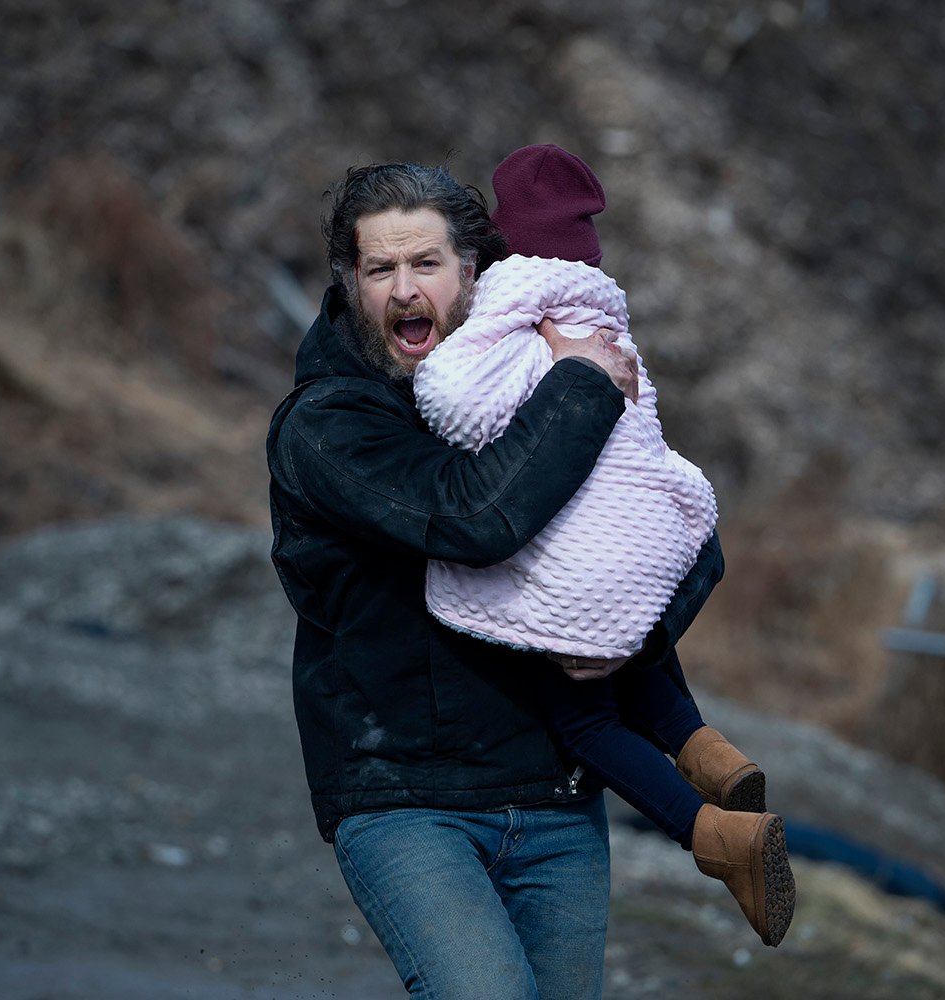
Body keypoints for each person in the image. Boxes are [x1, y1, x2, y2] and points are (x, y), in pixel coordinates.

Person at [268, 160, 723, 998]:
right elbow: (472, 520)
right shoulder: (328, 426)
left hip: (557, 800)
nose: (406, 289)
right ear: (350, 282)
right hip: (408, 802)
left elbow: (674, 536)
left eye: (427, 264)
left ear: (476, 271)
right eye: (380, 269)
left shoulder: (527, 386)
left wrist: (628, 642)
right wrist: (582, 385)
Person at [413, 144, 795, 946]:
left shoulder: (516, 311)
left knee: (581, 718)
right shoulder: (604, 317)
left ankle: (719, 839)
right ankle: (710, 753)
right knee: (624, 640)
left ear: (503, 238)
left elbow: (461, 408)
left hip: (581, 552)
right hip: (643, 533)